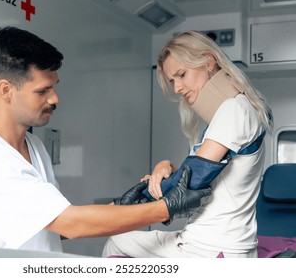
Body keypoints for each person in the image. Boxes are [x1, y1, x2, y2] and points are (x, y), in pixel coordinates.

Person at [0, 27, 211, 258]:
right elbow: (73, 224)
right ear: (6, 90)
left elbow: (54, 226)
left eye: (54, 87)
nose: (55, 98)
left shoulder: (33, 145)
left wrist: (122, 207)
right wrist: (165, 207)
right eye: (42, 90)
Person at [102, 30, 273, 258]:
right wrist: (168, 167)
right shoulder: (227, 115)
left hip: (211, 249)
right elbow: (201, 176)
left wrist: (128, 203)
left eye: (181, 75)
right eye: (173, 81)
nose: (177, 88)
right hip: (214, 243)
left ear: (208, 62)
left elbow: (192, 181)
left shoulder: (234, 109)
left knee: (116, 241)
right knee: (117, 241)